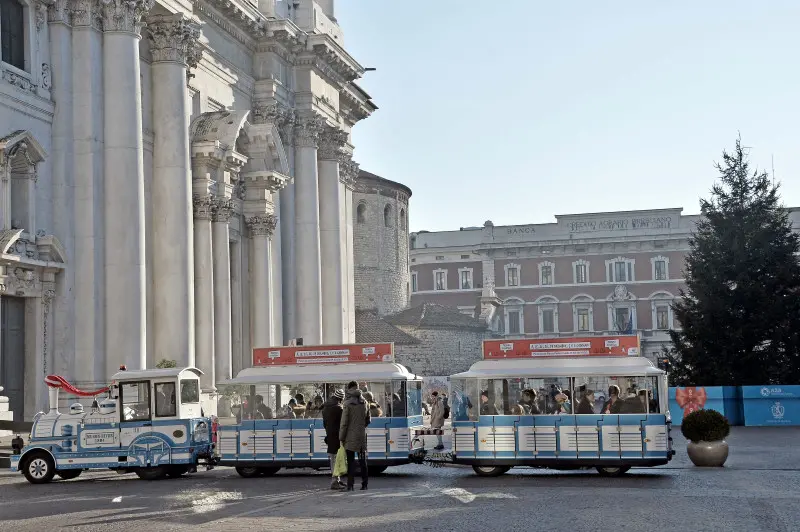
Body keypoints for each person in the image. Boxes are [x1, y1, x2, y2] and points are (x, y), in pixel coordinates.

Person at [340, 381, 371, 491]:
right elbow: (368, 419)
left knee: (351, 461)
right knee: (363, 460)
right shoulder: (365, 402)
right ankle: (365, 484)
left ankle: (350, 485)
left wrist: (341, 437)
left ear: (349, 389)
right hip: (362, 436)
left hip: (350, 436)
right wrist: (361, 427)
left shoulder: (347, 404)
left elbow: (344, 423)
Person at [322, 389, 346, 490]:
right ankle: (335, 481)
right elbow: (343, 424)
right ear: (340, 398)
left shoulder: (326, 407)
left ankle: (337, 480)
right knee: (337, 459)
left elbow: (324, 423)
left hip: (329, 435)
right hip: (337, 436)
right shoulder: (339, 408)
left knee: (333, 458)